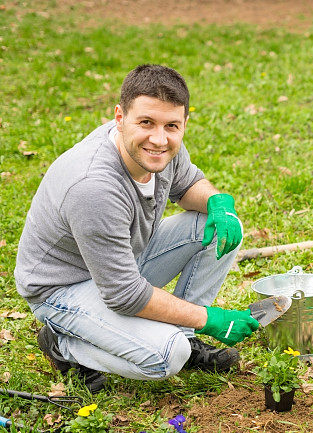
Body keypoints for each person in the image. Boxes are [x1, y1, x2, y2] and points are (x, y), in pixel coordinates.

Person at [14, 64, 260, 393]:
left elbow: (188, 186)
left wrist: (219, 202)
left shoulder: (161, 147)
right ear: (120, 117)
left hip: (121, 261)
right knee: (166, 355)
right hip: (62, 288)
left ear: (184, 122)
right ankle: (62, 343)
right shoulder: (94, 187)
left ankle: (186, 337)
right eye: (146, 122)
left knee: (219, 228)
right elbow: (125, 295)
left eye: (171, 125)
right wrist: (209, 318)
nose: (159, 138)